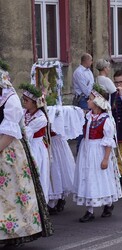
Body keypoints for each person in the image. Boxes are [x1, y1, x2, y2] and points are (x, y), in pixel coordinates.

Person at [0, 69, 53, 247]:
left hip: (8, 152)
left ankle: (14, 233)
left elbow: (10, 132)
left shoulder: (11, 100)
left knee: (11, 193)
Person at [73, 85, 122, 222]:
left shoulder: (106, 120)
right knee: (88, 177)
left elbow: (108, 141)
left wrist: (106, 159)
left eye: (90, 99)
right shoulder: (87, 116)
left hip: (98, 151)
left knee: (100, 178)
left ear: (97, 103)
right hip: (86, 149)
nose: (87, 101)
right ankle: (90, 210)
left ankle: (108, 203)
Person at [19, 83, 50, 203]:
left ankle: (39, 203)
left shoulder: (41, 118)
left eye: (26, 100)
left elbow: (26, 133)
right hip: (27, 146)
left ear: (34, 102)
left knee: (37, 174)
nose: (24, 102)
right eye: (23, 99)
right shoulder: (24, 112)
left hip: (36, 148)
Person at [72, 53, 94, 152]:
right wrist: (93, 95)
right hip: (83, 99)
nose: (92, 62)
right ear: (86, 61)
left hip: (89, 98)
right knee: (84, 123)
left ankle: (87, 148)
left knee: (90, 123)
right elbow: (85, 89)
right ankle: (79, 149)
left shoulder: (89, 71)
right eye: (91, 60)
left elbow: (91, 85)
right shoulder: (79, 72)